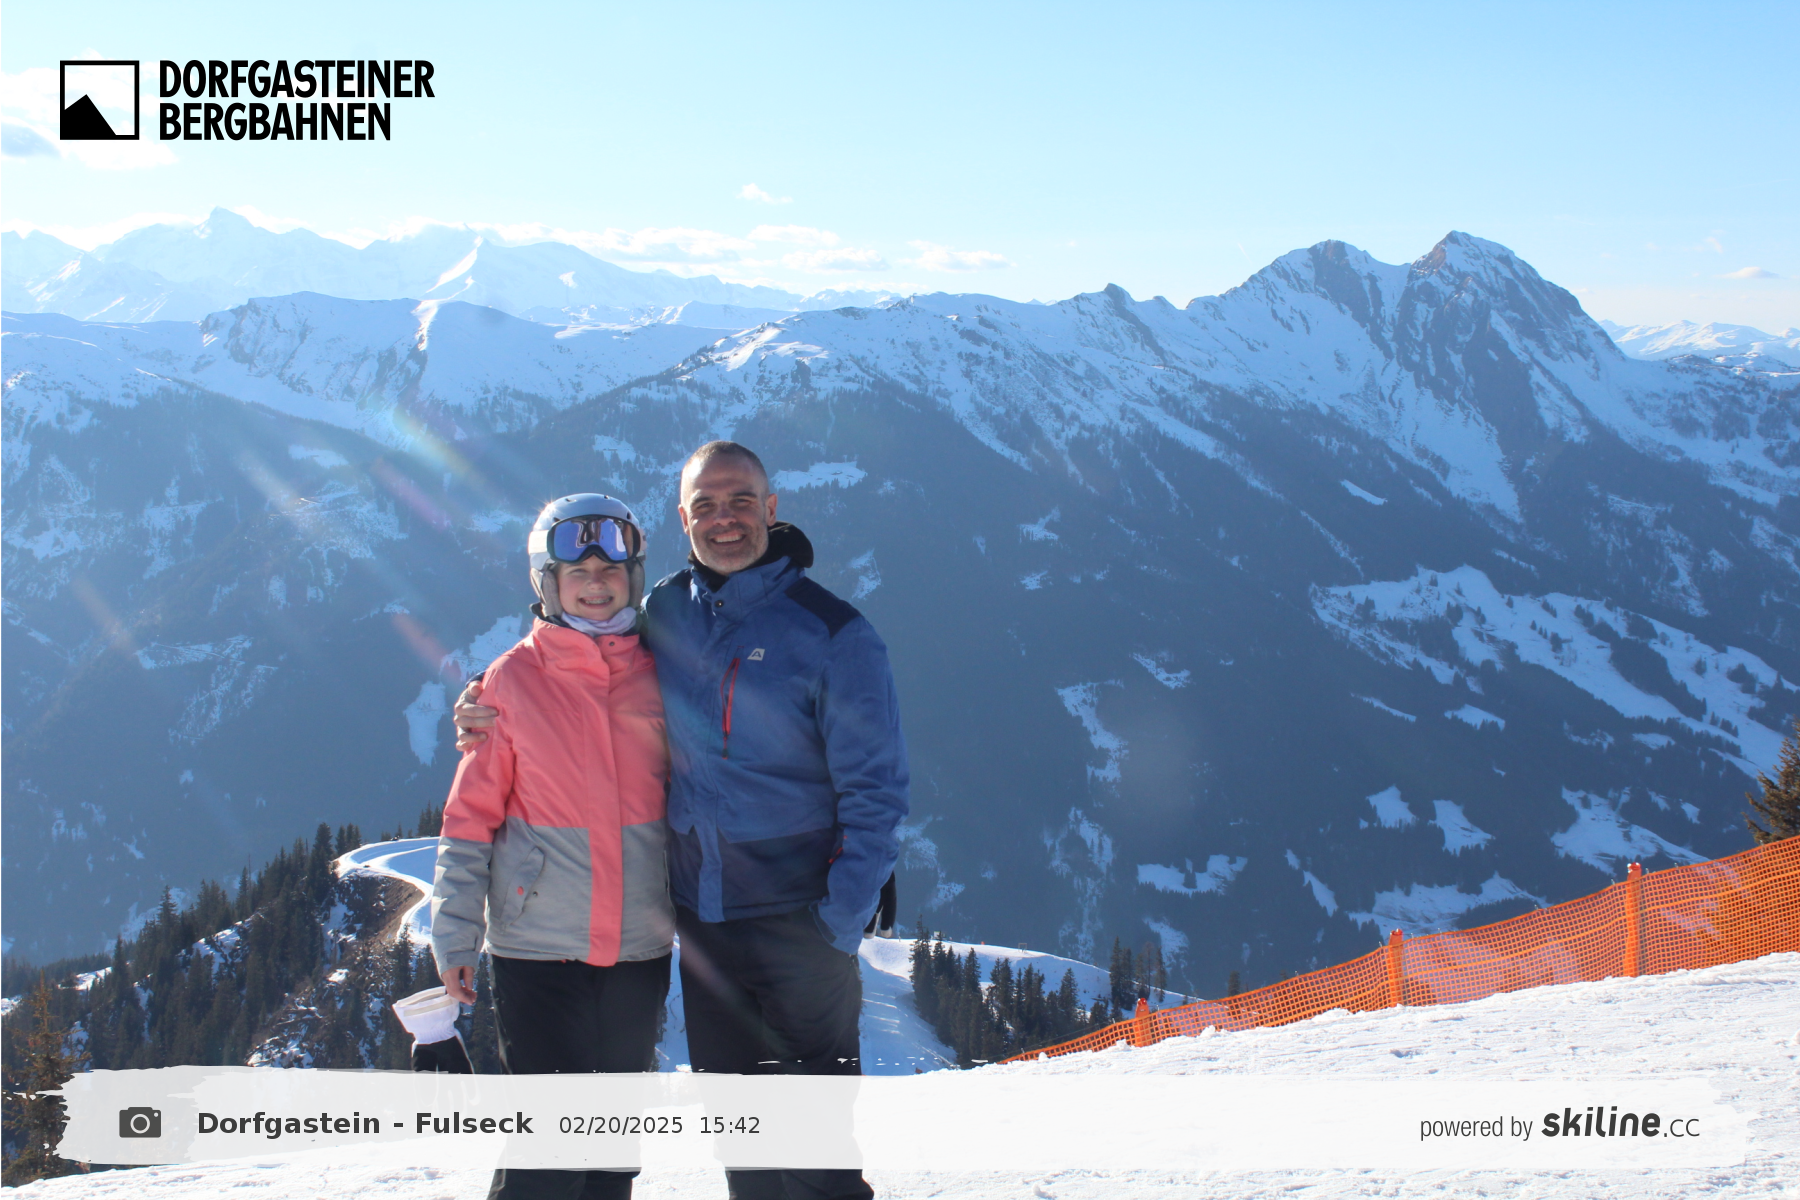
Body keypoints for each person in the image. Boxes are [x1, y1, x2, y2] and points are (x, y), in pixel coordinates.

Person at [459, 443, 909, 1200]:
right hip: (705, 926)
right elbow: (580, 653)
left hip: (799, 922)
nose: (724, 519)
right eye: (705, 505)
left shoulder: (833, 633)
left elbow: (879, 792)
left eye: (741, 501)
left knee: (817, 1154)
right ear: (683, 518)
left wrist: (836, 922)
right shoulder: (668, 610)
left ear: (771, 508)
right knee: (745, 1145)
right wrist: (486, 695)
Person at [432, 493, 674, 1200]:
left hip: (638, 949)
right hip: (538, 952)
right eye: (577, 573)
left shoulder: (662, 672)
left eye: (611, 569)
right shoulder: (510, 682)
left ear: (634, 576)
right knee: (548, 1153)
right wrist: (455, 936)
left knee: (612, 1153)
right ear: (548, 583)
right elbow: (469, 820)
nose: (596, 583)